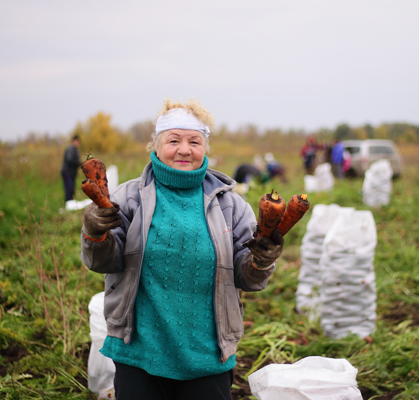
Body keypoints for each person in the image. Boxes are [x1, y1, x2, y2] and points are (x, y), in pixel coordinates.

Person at [80, 98, 284, 400]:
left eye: (194, 141)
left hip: (207, 355)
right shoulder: (129, 198)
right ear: (156, 144)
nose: (184, 149)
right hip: (138, 352)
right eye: (174, 140)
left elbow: (250, 278)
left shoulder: (231, 205)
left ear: (205, 148)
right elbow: (103, 261)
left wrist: (261, 261)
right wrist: (95, 232)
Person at [61, 135, 81, 203]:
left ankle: (71, 203)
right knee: (69, 188)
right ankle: (68, 203)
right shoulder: (70, 149)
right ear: (73, 141)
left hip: (72, 173)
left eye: (78, 142)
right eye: (76, 141)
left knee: (72, 188)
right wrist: (79, 163)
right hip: (67, 172)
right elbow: (69, 160)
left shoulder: (76, 150)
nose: (77, 143)